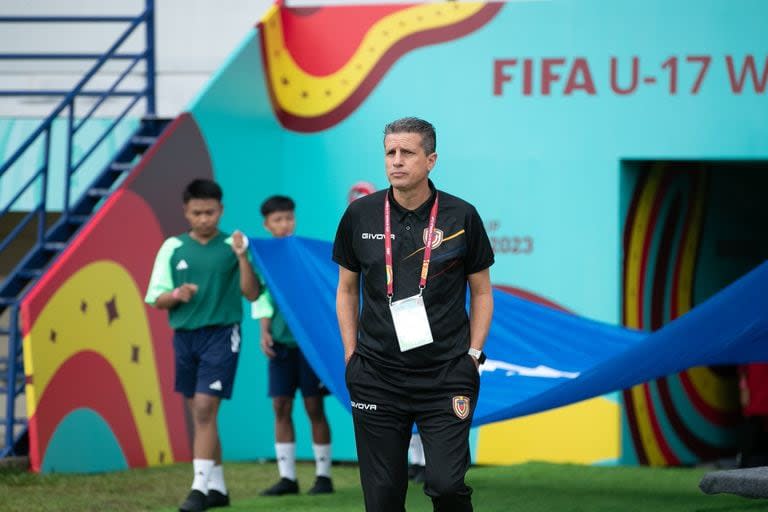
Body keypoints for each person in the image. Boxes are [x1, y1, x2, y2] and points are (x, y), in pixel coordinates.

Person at [333, 117, 495, 511]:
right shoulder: (360, 215)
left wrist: (472, 356)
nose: (397, 161)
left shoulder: (462, 216)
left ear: (431, 160)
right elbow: (346, 290)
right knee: (383, 497)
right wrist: (352, 355)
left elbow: (483, 292)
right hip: (376, 375)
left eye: (407, 152)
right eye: (390, 152)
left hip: (445, 374)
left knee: (446, 485)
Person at [145, 179, 260, 512]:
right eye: (197, 212)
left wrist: (241, 257)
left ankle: (197, 489)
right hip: (185, 337)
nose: (204, 218)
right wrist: (176, 295)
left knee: (206, 410)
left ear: (221, 210)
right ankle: (218, 488)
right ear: (186, 211)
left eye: (210, 212)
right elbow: (157, 298)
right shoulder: (173, 247)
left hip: (222, 335)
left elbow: (251, 293)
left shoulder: (234, 244)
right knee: (201, 414)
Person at [253, 195, 335, 496]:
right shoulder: (264, 257)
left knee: (314, 406)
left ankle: (323, 476)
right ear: (267, 224)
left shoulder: (304, 253)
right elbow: (261, 296)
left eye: (289, 218)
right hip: (281, 345)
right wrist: (264, 330)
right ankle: (287, 478)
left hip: (310, 346)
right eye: (278, 220)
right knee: (280, 406)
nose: (285, 224)